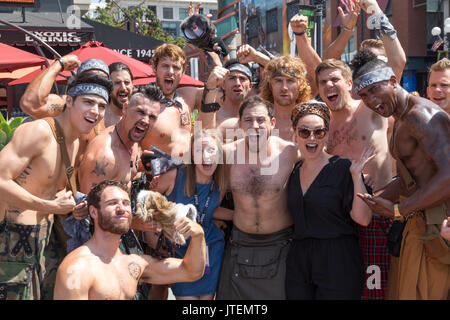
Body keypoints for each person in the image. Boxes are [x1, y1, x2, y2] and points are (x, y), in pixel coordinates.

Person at [291, 1, 408, 299]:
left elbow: (397, 63)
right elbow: (312, 65)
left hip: (376, 209)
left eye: (335, 80)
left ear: (351, 84)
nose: (329, 85)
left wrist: (376, 14)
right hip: (336, 222)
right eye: (323, 82)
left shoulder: (371, 108)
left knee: (376, 291)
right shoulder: (321, 124)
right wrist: (300, 37)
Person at [0, 73, 112, 300]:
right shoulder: (38, 132)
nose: (95, 111)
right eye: (88, 102)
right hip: (12, 242)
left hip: (45, 241)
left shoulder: (77, 142)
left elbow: (51, 186)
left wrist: (71, 205)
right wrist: (50, 205)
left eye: (101, 106)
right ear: (69, 102)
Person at [352, 50, 450, 300]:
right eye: (364, 95)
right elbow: (411, 177)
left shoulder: (421, 116)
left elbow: (448, 175)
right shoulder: (401, 117)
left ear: (394, 81)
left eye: (375, 90)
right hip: (418, 225)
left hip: (438, 228)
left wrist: (399, 209)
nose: (371, 100)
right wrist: (375, 200)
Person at [53, 180, 206, 300]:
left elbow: (191, 272)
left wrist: (199, 236)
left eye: (126, 203)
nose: (121, 208)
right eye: (112, 203)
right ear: (93, 211)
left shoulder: (134, 263)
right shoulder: (77, 268)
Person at [286, 100, 374, 299]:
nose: (312, 138)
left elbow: (363, 219)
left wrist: (356, 176)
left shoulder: (343, 168)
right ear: (295, 133)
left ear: (326, 134)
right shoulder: (292, 171)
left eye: (319, 132)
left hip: (338, 258)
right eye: (304, 132)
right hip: (299, 259)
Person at [216, 96, 301, 300]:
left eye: (261, 120)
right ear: (239, 124)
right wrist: (233, 215)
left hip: (280, 243)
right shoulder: (227, 155)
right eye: (248, 120)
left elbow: (323, 164)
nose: (255, 126)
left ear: (272, 123)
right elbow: (208, 201)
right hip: (240, 242)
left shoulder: (290, 153)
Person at [154, 129, 231, 300]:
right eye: (199, 151)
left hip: (211, 248)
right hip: (180, 250)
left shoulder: (221, 182)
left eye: (211, 150)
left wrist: (238, 217)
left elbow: (209, 210)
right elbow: (150, 205)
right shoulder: (174, 176)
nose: (206, 156)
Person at [259, 56, 311, 141]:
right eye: (278, 81)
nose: (284, 88)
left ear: (301, 85)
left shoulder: (311, 121)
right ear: (270, 85)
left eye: (290, 81)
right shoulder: (259, 122)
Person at [215, 59, 253, 142]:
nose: (237, 83)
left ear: (250, 86)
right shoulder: (212, 114)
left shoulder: (256, 115)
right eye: (232, 78)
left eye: (242, 78)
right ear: (223, 84)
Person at [106, 62, 134, 128]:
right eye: (117, 83)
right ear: (108, 86)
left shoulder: (141, 116)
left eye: (127, 82)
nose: (123, 88)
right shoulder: (98, 116)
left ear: (133, 85)